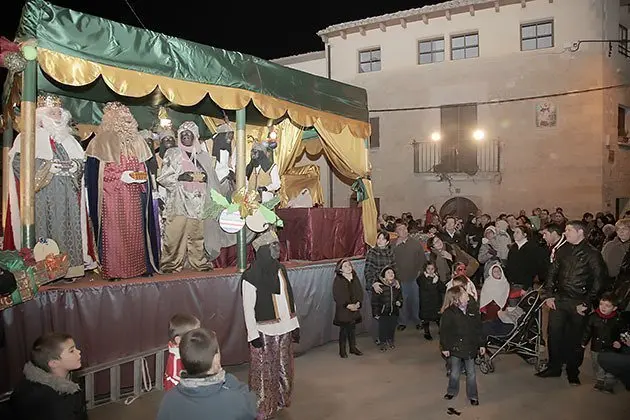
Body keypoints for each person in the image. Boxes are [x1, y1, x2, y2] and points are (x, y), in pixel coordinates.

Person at [5, 94, 94, 278]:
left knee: (69, 229)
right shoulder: (28, 137)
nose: (57, 116)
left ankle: (70, 269)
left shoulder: (70, 140)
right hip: (43, 196)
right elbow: (18, 163)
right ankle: (45, 274)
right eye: (52, 113)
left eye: (59, 113)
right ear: (41, 115)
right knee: (44, 234)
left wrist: (75, 166)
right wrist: (47, 167)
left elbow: (81, 164)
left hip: (68, 196)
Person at [85, 102, 159, 280]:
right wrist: (120, 176)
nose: (128, 121)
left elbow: (143, 166)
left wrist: (140, 176)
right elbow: (96, 176)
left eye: (129, 118)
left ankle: (139, 267)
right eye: (123, 118)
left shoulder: (138, 140)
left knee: (135, 231)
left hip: (134, 194)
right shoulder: (100, 142)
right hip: (112, 195)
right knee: (115, 233)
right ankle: (114, 270)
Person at [538, 220, 607, 385]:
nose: (565, 233)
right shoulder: (562, 250)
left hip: (579, 302)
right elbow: (552, 273)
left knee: (574, 338)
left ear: (580, 232)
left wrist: (588, 302)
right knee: (554, 335)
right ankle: (554, 367)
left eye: (569, 230)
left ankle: (572, 371)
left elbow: (599, 280)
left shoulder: (592, 253)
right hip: (560, 300)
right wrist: (548, 295)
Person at [241, 229, 300, 420]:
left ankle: (281, 401)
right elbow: (248, 308)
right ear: (264, 249)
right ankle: (263, 409)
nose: (278, 248)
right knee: (264, 373)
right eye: (274, 245)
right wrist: (253, 335)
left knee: (284, 368)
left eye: (277, 244)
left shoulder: (281, 269)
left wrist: (295, 324)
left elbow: (288, 298)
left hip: (285, 329)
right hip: (264, 332)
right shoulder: (250, 276)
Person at [157, 328, 257, 420]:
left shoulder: (169, 399)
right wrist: (229, 380)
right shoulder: (235, 399)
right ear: (216, 360)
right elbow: (251, 407)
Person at [157, 122, 216, 272]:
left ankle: (198, 262)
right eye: (182, 135)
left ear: (195, 136)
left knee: (196, 235)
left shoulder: (202, 155)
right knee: (174, 234)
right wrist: (181, 177)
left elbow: (211, 177)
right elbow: (163, 177)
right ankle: (170, 264)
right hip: (179, 200)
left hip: (198, 200)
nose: (185, 137)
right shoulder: (172, 153)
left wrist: (204, 178)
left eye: (188, 134)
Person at [9, 332, 86, 420]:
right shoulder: (53, 403)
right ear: (54, 363)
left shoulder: (69, 377)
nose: (79, 351)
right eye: (71, 351)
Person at [440, 286, 485, 406]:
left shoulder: (472, 309)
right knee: (455, 372)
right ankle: (452, 391)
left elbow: (478, 328)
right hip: (456, 347)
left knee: (471, 373)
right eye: (464, 293)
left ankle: (473, 395)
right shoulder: (449, 313)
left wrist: (481, 344)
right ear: (457, 299)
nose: (467, 294)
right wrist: (445, 347)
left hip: (470, 346)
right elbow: (444, 332)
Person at [581, 293, 623, 394]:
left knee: (610, 365)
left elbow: (621, 332)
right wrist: (583, 342)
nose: (603, 307)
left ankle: (609, 383)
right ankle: (600, 379)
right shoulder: (593, 317)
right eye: (601, 304)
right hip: (596, 346)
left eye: (607, 305)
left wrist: (619, 342)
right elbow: (587, 331)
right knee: (597, 363)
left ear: (614, 308)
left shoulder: (617, 319)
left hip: (611, 348)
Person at [393, 222, 426, 331]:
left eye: (405, 228)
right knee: (402, 301)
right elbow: (390, 260)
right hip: (399, 278)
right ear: (396, 232)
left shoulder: (416, 243)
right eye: (400, 229)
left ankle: (417, 320)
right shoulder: (393, 245)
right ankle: (402, 321)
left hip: (414, 278)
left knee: (415, 300)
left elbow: (422, 260)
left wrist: (419, 272)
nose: (404, 231)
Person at [332, 258, 364, 358]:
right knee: (344, 330)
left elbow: (359, 291)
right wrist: (348, 305)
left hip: (355, 308)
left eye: (349, 265)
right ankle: (342, 350)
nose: (348, 267)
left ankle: (352, 348)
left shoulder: (354, 277)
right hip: (344, 309)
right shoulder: (338, 280)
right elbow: (338, 295)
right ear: (340, 269)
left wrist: (358, 302)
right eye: (345, 266)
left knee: (352, 329)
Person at [164, 314, 201, 391]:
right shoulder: (177, 360)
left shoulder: (184, 350)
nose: (199, 338)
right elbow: (175, 380)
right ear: (179, 340)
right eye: (194, 336)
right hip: (178, 393)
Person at [372, 266, 403, 352]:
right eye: (388, 273)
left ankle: (390, 339)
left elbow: (400, 296)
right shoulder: (379, 286)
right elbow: (375, 301)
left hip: (394, 311)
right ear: (383, 276)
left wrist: (399, 302)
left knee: (392, 327)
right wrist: (375, 313)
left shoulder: (397, 285)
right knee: (383, 328)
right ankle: (383, 342)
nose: (391, 274)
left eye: (392, 272)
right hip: (383, 312)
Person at [417, 261, 446, 340]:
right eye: (428, 269)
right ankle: (426, 332)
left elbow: (443, 289)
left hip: (436, 301)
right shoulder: (421, 278)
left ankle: (441, 330)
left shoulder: (436, 278)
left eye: (432, 269)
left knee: (438, 317)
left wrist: (438, 281)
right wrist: (434, 282)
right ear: (425, 269)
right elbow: (427, 287)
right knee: (426, 318)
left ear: (435, 269)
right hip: (425, 302)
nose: (430, 271)